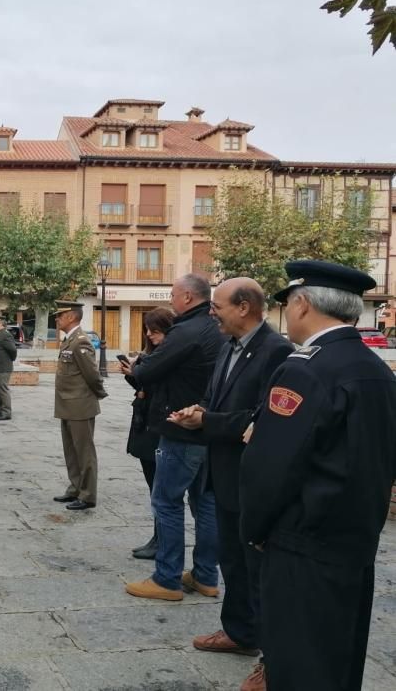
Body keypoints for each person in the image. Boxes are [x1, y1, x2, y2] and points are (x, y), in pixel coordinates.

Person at [239, 261, 396, 691]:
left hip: (302, 544)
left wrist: (254, 527)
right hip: (355, 543)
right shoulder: (374, 369)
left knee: (297, 662)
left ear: (303, 303)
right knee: (338, 660)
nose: (287, 314)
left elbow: (272, 466)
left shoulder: (304, 368)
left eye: (288, 304)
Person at [169, 278, 293, 691]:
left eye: (218, 305)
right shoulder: (226, 346)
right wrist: (197, 410)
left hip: (252, 477)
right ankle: (239, 632)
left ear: (244, 307)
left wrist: (207, 420)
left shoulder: (278, 352)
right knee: (231, 560)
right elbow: (217, 402)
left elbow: (262, 420)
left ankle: (271, 659)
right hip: (221, 471)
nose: (211, 311)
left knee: (259, 570)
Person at [123, 273, 226, 601]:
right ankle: (206, 576)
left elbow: (148, 372)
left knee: (166, 501)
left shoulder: (186, 330)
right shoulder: (216, 328)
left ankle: (166, 578)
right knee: (205, 503)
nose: (171, 300)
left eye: (173, 295)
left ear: (186, 297)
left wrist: (137, 368)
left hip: (180, 427)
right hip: (208, 424)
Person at [124, 307, 175, 560]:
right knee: (153, 486)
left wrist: (141, 380)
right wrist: (134, 377)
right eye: (147, 330)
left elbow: (160, 389)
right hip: (144, 425)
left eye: (155, 331)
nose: (150, 335)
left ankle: (162, 540)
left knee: (161, 489)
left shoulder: (170, 355)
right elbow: (144, 384)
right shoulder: (151, 354)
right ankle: (157, 537)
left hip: (157, 427)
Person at [52, 301, 107, 510]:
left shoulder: (80, 342)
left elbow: (92, 374)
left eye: (60, 315)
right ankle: (75, 488)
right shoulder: (69, 340)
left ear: (71, 317)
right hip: (67, 404)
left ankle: (88, 495)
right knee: (71, 450)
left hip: (80, 405)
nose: (57, 319)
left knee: (84, 452)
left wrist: (99, 394)